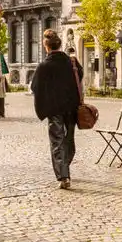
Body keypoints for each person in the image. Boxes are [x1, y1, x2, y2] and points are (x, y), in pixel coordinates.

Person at [31, 29, 82, 190]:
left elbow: (35, 87)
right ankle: (65, 168)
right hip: (72, 107)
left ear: (46, 47)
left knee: (57, 141)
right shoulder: (72, 62)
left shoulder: (44, 66)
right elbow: (79, 79)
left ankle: (64, 175)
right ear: (60, 45)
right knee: (69, 139)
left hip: (54, 109)